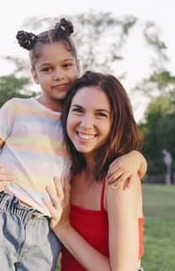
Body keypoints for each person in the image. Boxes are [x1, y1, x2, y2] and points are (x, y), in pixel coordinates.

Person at [0, 18, 146, 271]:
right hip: (3, 214)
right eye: (47, 69)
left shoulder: (78, 131)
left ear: (77, 66)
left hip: (43, 228)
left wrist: (136, 157)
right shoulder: (19, 109)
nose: (59, 75)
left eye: (66, 65)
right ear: (34, 75)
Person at [44, 71, 145, 271]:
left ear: (116, 122)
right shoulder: (62, 169)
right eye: (78, 110)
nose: (86, 124)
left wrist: (64, 229)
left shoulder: (119, 179)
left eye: (101, 114)